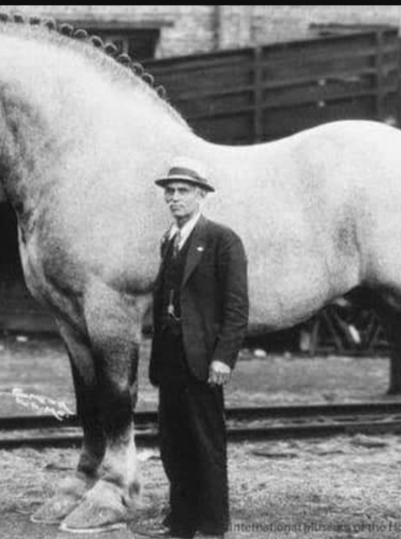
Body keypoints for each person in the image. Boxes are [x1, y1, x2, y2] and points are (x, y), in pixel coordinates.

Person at [148, 157, 249, 539]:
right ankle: (181, 523)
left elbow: (237, 307)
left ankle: (211, 526)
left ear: (202, 195)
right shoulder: (169, 240)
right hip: (171, 357)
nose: (174, 198)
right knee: (174, 443)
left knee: (206, 442)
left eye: (183, 191)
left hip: (204, 359)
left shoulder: (223, 240)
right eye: (169, 192)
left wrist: (224, 357)